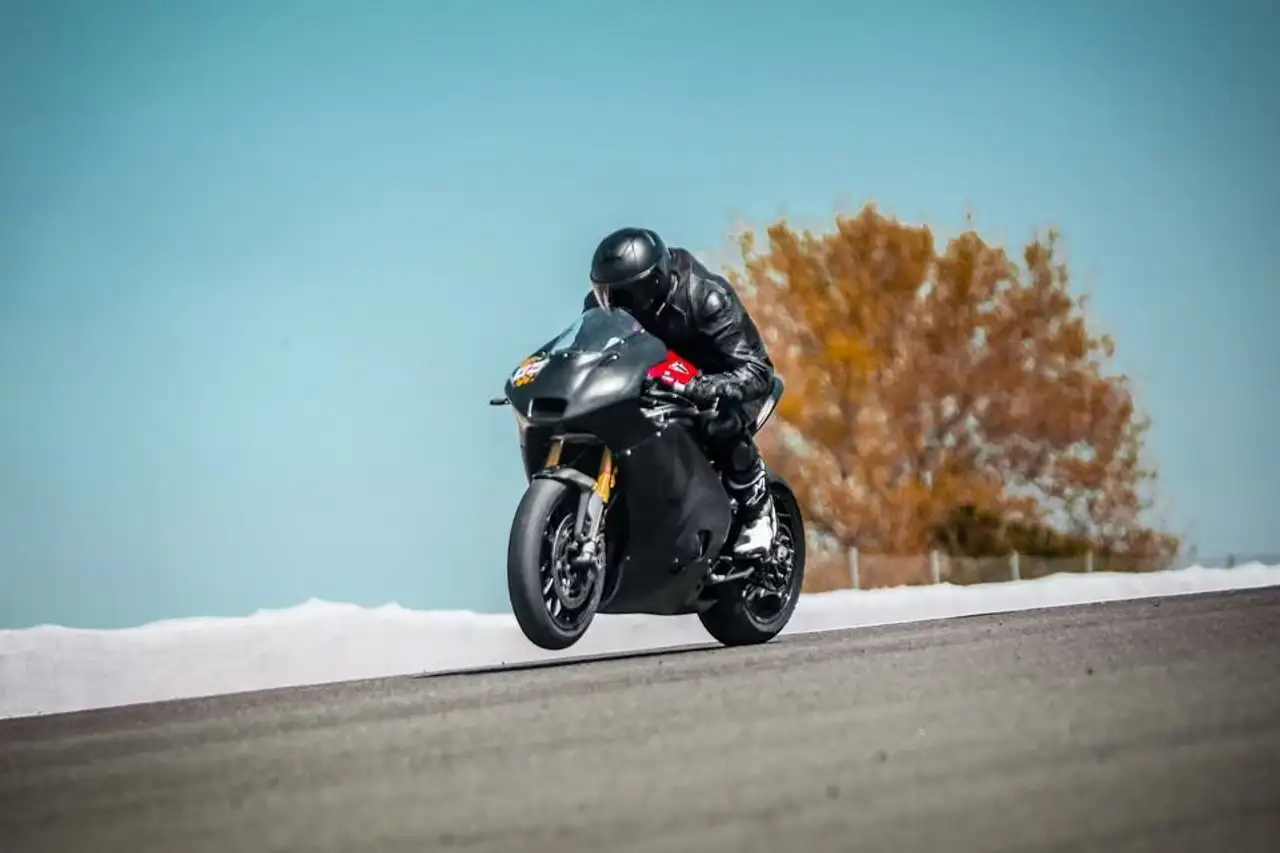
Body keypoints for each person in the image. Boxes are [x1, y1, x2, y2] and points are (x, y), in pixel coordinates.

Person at [583, 226, 778, 558]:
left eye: (628, 295)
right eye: (609, 294)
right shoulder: (603, 308)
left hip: (722, 380)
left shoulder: (706, 297)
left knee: (717, 417)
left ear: (655, 282)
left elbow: (758, 370)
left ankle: (757, 509)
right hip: (657, 381)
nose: (618, 305)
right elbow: (587, 353)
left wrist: (707, 386)